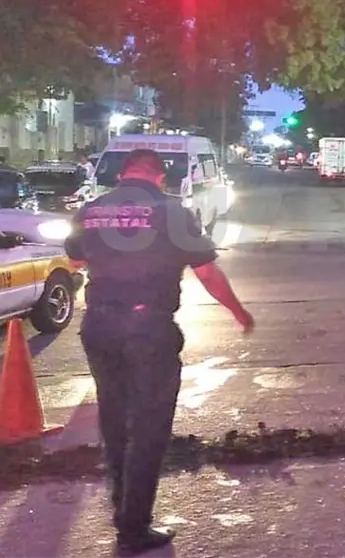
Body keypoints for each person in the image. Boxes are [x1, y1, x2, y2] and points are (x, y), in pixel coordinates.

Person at [64, 148, 255, 555]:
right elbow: (206, 270)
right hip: (147, 328)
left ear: (123, 174)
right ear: (159, 177)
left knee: (114, 422)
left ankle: (123, 513)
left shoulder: (93, 208)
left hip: (98, 325)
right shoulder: (171, 211)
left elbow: (76, 257)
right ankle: (134, 529)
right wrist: (238, 311)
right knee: (149, 429)